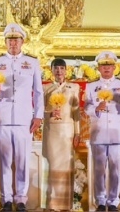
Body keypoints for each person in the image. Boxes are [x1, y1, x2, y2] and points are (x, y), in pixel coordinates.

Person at [0, 24, 43, 211]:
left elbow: (38, 91)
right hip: (2, 117)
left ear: (22, 41)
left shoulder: (32, 62)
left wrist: (38, 116)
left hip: (23, 118)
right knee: (4, 160)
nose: (13, 43)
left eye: (16, 39)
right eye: (10, 40)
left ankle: (21, 198)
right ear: (5, 42)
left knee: (22, 159)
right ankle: (6, 199)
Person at [86, 51, 120, 211]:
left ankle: (113, 201)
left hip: (117, 132)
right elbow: (87, 107)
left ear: (114, 67)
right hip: (98, 132)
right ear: (98, 67)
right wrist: (96, 108)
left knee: (115, 168)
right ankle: (100, 200)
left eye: (109, 65)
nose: (106, 68)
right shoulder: (91, 86)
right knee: (99, 169)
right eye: (103, 65)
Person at [42, 58, 81, 212]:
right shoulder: (46, 88)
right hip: (52, 131)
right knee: (53, 167)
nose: (59, 71)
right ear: (51, 71)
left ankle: (66, 206)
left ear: (66, 71)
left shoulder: (74, 87)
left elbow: (76, 111)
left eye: (61, 68)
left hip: (67, 131)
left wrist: (78, 132)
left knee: (67, 168)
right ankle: (51, 205)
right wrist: (50, 112)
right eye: (56, 68)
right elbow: (40, 110)